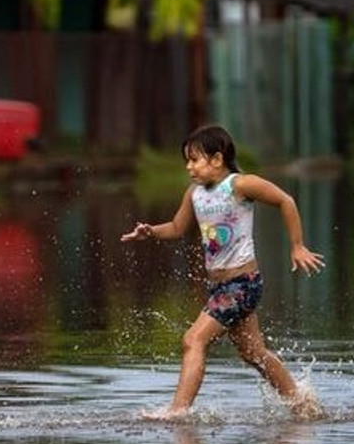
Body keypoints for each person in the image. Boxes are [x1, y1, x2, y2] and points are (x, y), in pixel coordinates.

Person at [121, 124, 325, 420]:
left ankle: (177, 413)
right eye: (186, 161)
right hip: (220, 288)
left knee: (193, 340)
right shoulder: (194, 194)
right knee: (254, 353)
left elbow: (286, 200)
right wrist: (150, 231)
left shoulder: (239, 185)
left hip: (242, 284)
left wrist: (297, 246)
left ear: (217, 159)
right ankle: (300, 402)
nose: (189, 167)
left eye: (194, 159)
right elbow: (177, 228)